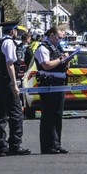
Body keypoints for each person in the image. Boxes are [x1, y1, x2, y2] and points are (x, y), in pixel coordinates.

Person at [0, 21, 31, 157]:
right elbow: (10, 64)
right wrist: (14, 84)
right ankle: (15, 145)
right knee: (16, 114)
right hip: (7, 81)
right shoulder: (8, 43)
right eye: (15, 31)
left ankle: (1, 147)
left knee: (0, 115)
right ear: (12, 31)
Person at [34, 26, 70, 154]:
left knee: (57, 115)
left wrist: (66, 60)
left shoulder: (57, 48)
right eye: (59, 37)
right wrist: (61, 59)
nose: (60, 40)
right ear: (52, 35)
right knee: (48, 115)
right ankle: (47, 145)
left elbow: (61, 64)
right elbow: (46, 65)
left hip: (59, 84)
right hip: (48, 84)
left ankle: (56, 143)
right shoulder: (43, 48)